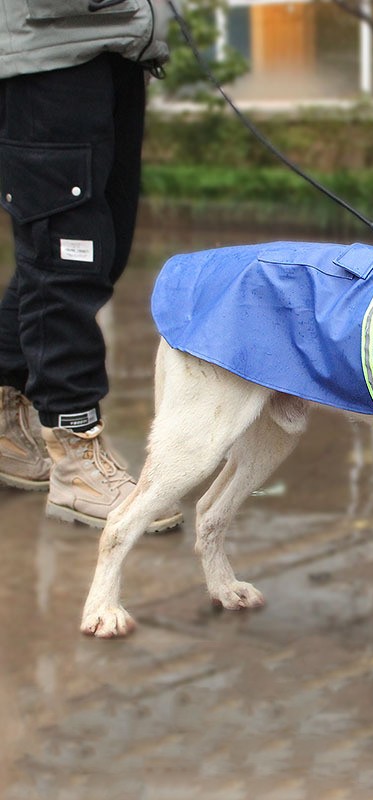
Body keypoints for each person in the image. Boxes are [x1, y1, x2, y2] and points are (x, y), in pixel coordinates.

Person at [0, 0, 181, 532]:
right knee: (65, 258)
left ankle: (5, 419)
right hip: (46, 55)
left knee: (98, 253)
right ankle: (77, 458)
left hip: (117, 49)